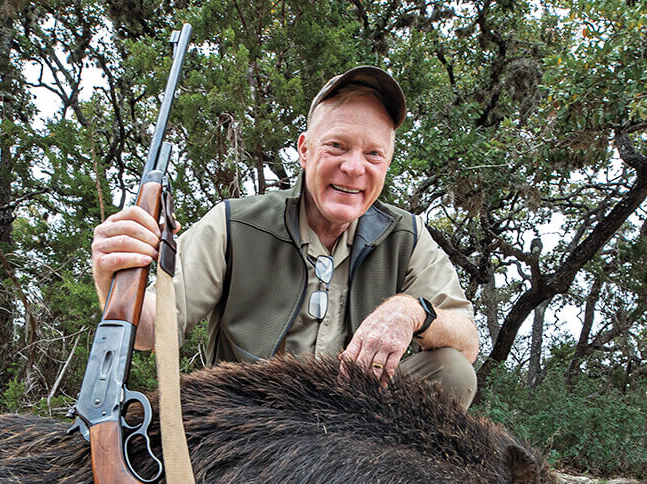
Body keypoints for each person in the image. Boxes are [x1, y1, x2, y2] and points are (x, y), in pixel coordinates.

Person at [92, 66, 480, 408]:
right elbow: (151, 333)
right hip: (253, 427)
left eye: (373, 154)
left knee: (454, 372)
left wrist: (410, 311)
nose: (353, 167)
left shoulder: (406, 236)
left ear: (387, 163)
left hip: (361, 430)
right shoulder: (234, 224)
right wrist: (114, 278)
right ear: (304, 150)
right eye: (336, 146)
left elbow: (466, 341)